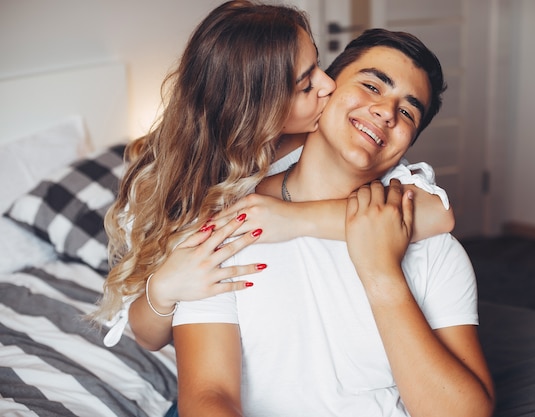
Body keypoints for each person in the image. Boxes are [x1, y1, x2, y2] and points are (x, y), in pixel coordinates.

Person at [92, 0, 454, 350]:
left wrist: (293, 218)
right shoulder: (172, 182)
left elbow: (437, 212)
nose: (328, 85)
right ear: (257, 106)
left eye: (318, 65)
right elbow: (147, 337)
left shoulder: (324, 135)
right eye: (306, 84)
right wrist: (163, 287)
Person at [171, 28, 495, 417]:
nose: (387, 112)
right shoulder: (231, 226)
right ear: (324, 92)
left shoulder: (436, 248)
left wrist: (381, 273)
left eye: (408, 111)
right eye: (373, 86)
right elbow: (208, 395)